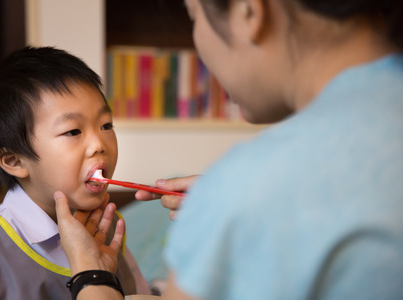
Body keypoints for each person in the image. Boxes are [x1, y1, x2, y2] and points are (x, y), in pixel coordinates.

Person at [55, 0, 403, 299]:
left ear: (249, 11)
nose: (97, 144)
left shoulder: (242, 190)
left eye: (194, 18)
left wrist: (91, 276)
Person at [0, 46, 150, 299]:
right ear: (15, 161)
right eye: (73, 131)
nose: (99, 144)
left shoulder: (106, 230)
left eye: (106, 125)